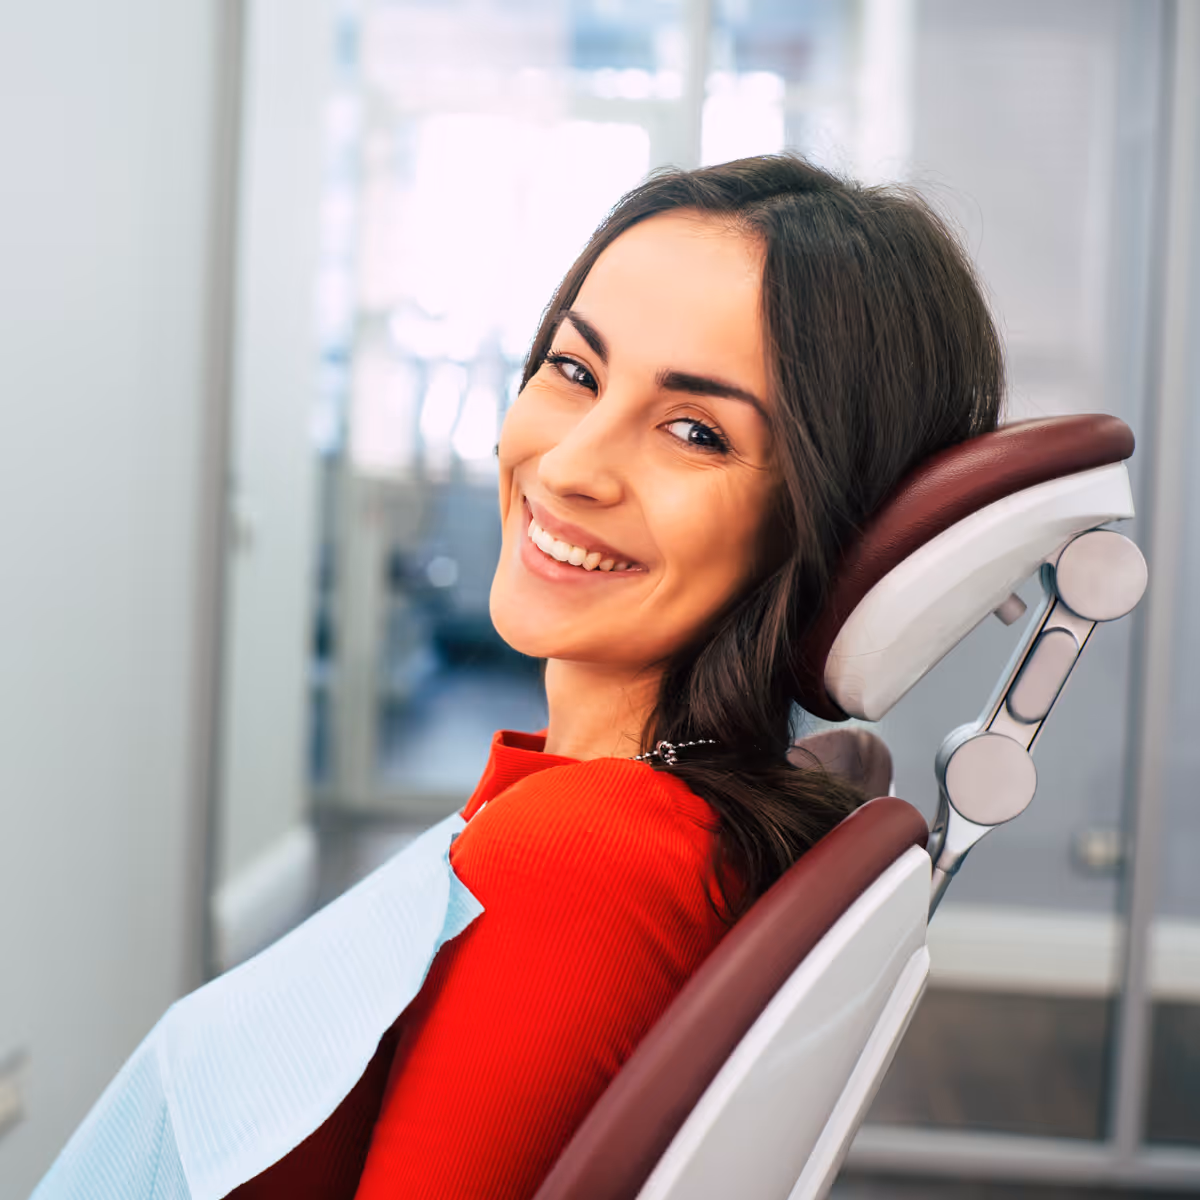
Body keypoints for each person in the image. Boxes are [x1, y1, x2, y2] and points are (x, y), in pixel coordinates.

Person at [33, 154, 1003, 1200]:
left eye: (695, 432)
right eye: (574, 370)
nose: (571, 464)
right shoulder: (623, 815)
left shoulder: (586, 860)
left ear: (829, 517)